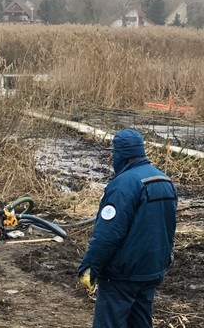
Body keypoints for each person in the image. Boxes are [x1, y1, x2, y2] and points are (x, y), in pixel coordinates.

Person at [77, 128, 177, 328]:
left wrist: (90, 266)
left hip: (122, 275)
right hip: (152, 270)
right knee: (140, 322)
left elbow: (108, 234)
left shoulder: (123, 185)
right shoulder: (164, 181)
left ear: (121, 154)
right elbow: (169, 226)